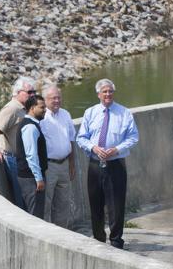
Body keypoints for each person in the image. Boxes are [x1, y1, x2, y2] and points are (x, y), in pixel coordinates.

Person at [76, 79, 138, 249]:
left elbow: (133, 137)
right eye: (104, 92)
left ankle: (116, 241)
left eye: (110, 91)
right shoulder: (90, 112)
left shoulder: (124, 113)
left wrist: (117, 149)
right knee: (95, 203)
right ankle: (98, 238)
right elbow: (81, 137)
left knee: (116, 205)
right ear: (98, 94)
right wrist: (94, 148)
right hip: (95, 164)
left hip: (116, 164)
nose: (108, 95)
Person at [0, 77, 36, 204]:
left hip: (25, 159)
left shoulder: (25, 108)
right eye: (29, 92)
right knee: (21, 196)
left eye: (34, 92)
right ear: (17, 92)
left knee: (29, 196)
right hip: (14, 160)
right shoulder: (11, 109)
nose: (32, 95)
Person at [39, 84, 77, 227]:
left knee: (63, 203)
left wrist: (72, 164)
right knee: (46, 203)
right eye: (53, 98)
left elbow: (71, 139)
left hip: (64, 165)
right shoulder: (41, 117)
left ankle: (62, 234)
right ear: (45, 100)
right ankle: (47, 235)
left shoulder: (65, 114)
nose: (56, 101)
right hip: (49, 166)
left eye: (58, 97)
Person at [14, 93, 48, 217]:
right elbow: (31, 155)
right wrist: (38, 178)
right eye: (42, 108)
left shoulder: (30, 124)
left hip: (30, 177)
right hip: (31, 178)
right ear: (32, 108)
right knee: (35, 215)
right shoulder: (30, 127)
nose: (45, 110)